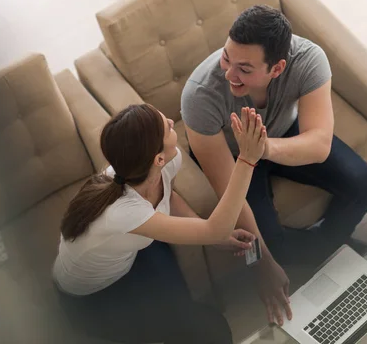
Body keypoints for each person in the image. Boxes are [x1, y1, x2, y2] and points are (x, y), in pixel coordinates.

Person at [181, 5, 367, 326]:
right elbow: (230, 198)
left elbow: (318, 145)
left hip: (280, 139)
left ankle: (326, 248)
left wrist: (263, 148)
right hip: (234, 158)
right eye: (226, 58)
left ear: (277, 68)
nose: (230, 74)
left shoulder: (309, 59)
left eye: (245, 69)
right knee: (275, 249)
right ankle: (330, 250)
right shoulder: (200, 96)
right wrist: (262, 265)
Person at [53, 103, 267, 344]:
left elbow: (168, 196)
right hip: (95, 297)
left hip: (131, 252)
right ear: (157, 158)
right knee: (208, 330)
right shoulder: (123, 212)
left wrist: (209, 235)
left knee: (193, 321)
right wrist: (247, 160)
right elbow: (216, 229)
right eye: (166, 125)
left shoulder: (164, 162)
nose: (169, 120)